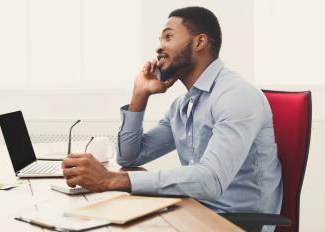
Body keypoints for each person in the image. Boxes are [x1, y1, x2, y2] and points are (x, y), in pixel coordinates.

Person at [62, 6, 282, 223]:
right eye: (160, 40)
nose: (159, 48)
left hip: (237, 222)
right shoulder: (183, 106)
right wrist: (140, 94)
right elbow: (129, 156)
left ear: (199, 42)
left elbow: (210, 181)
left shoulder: (235, 95)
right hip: (193, 211)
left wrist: (111, 180)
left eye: (168, 37)